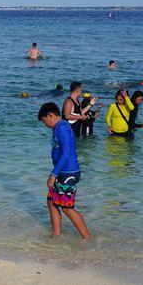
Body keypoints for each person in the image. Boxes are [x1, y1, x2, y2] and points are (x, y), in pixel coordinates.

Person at [38, 102, 92, 240]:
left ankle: (87, 238)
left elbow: (67, 152)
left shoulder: (62, 128)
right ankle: (56, 235)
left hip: (68, 173)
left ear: (50, 116)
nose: (45, 125)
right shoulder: (58, 128)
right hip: (61, 172)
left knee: (67, 207)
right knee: (51, 201)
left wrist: (53, 174)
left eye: (44, 121)